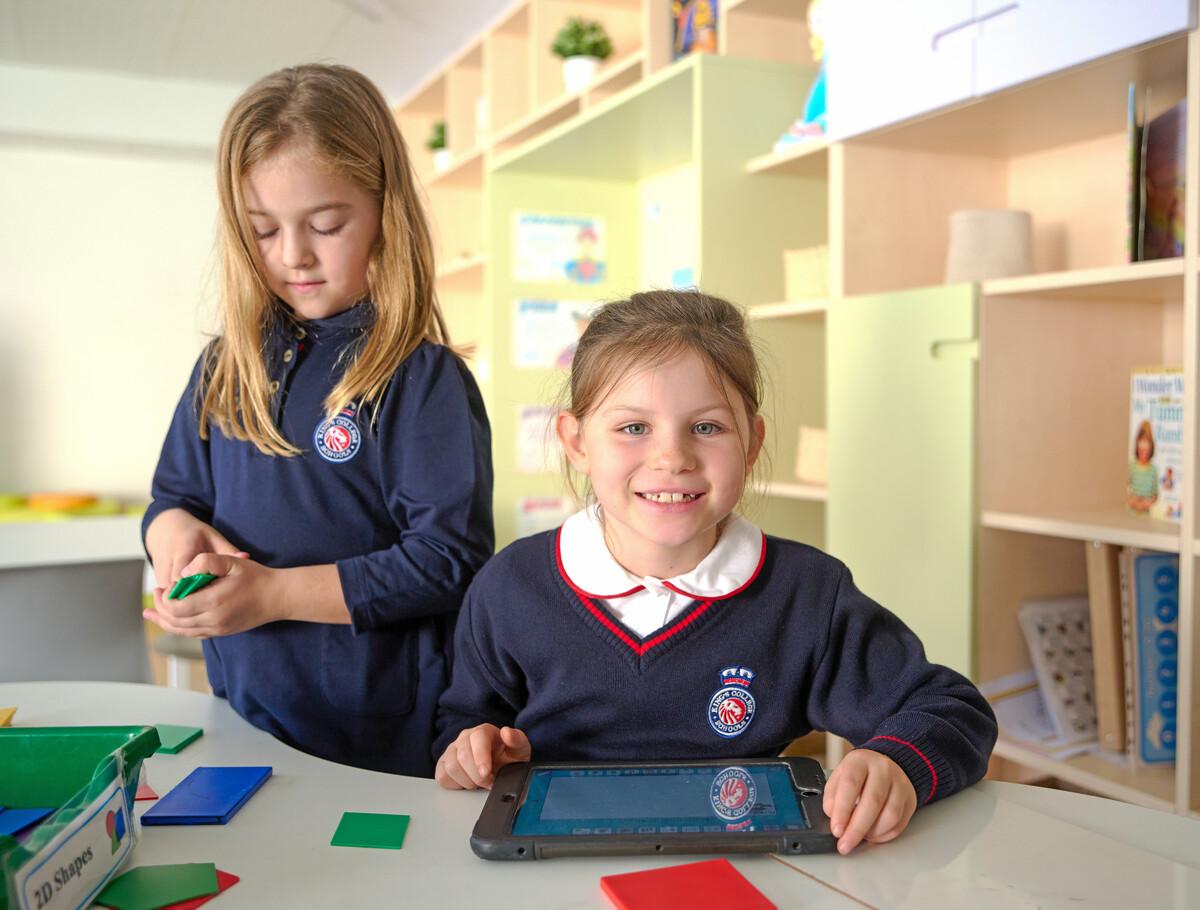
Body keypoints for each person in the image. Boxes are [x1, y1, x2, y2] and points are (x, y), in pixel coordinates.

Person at [433, 290, 996, 854]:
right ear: (577, 442)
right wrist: (473, 753)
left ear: (751, 443)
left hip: (744, 870)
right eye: (633, 428)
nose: (672, 457)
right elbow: (457, 731)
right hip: (551, 874)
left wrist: (896, 762)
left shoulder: (807, 594)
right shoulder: (510, 587)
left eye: (706, 428)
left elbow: (953, 710)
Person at [142, 64, 493, 777]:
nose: (293, 255)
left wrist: (270, 595)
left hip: (383, 737)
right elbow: (173, 499)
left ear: (383, 212)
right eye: (263, 230)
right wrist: (174, 541)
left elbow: (448, 561)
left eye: (326, 226)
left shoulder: (423, 379)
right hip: (247, 712)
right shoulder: (224, 367)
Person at [1128, 419, 1158, 513]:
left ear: (1151, 445)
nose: (1143, 446)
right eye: (1141, 441)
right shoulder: (1131, 466)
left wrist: (1147, 503)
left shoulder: (1153, 470)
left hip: (1145, 517)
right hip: (1131, 514)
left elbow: (1155, 495)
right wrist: (1132, 501)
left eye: (1146, 442)